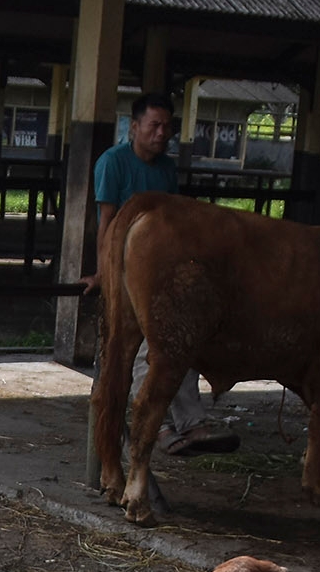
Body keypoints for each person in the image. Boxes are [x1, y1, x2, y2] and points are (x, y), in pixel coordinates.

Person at [90, 92, 237, 456]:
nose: (161, 133)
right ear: (134, 127)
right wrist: (104, 273)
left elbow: (176, 224)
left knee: (179, 341)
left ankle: (190, 422)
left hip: (163, 270)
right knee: (146, 347)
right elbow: (106, 221)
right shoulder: (113, 163)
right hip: (128, 269)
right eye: (154, 125)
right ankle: (160, 427)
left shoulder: (167, 170)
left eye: (166, 127)